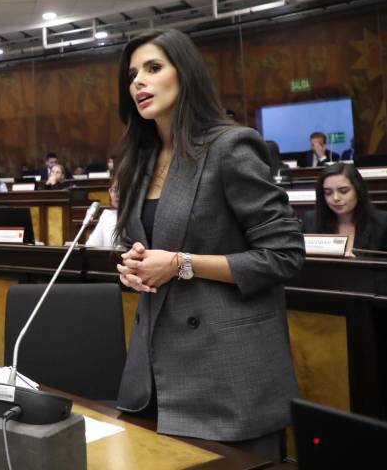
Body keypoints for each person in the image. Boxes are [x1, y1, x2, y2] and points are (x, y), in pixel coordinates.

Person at [113, 28, 304, 461]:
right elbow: (145, 249)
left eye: (153, 68)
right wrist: (130, 266)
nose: (138, 82)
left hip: (226, 376)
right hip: (155, 377)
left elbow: (284, 254)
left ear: (187, 75)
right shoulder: (138, 164)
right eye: (132, 75)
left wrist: (181, 264)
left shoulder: (229, 146)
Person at [303, 163, 387, 255]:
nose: (335, 198)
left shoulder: (382, 223)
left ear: (358, 190)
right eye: (328, 193)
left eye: (343, 191)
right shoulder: (311, 220)